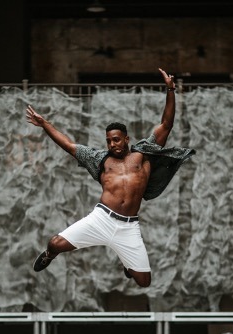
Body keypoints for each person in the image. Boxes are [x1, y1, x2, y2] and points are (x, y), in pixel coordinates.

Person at [26, 68, 195, 288]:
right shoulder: (99, 159)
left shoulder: (144, 155)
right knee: (55, 243)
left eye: (116, 140)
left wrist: (170, 89)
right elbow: (68, 145)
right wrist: (45, 124)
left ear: (126, 139)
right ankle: (50, 254)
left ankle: (127, 261)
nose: (112, 144)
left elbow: (166, 124)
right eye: (108, 141)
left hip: (128, 227)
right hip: (101, 219)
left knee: (143, 281)